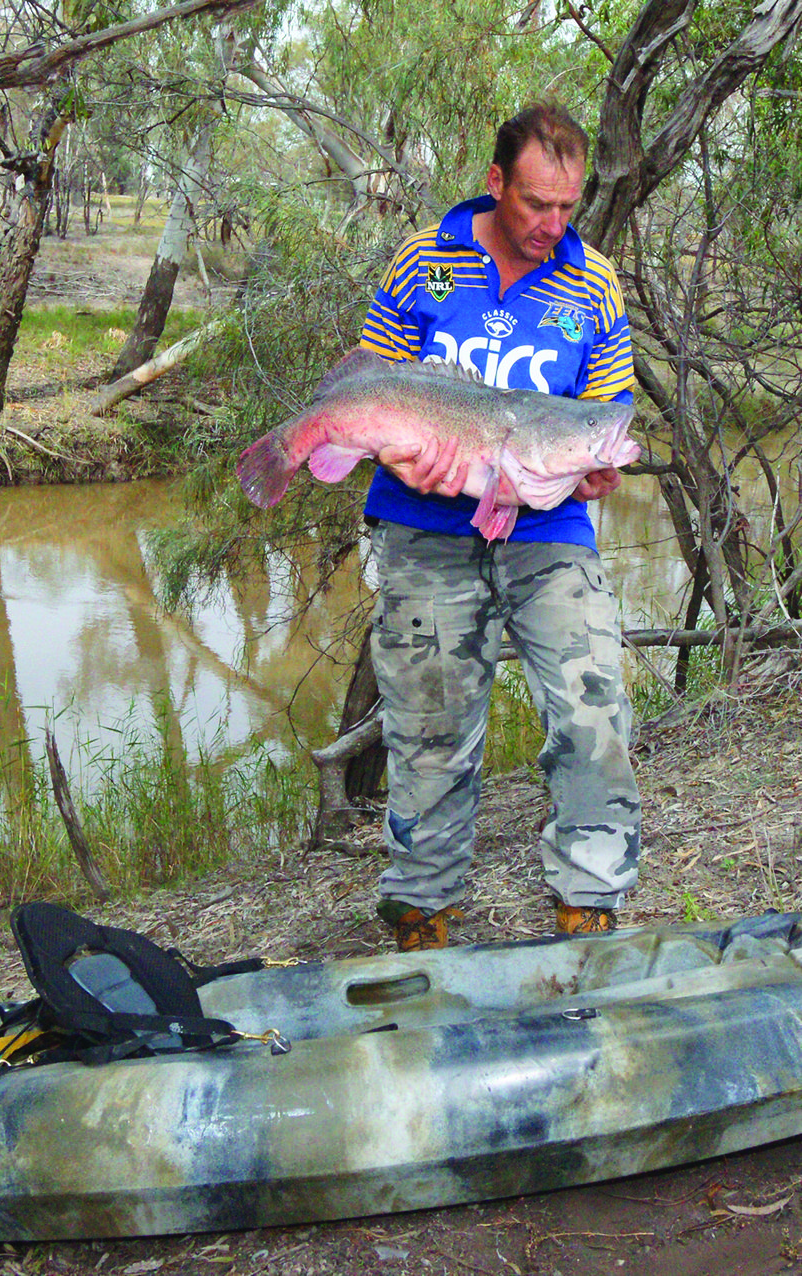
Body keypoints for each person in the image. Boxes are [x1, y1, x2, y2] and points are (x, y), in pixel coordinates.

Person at [358, 101, 641, 952]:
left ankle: (589, 889)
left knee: (594, 710)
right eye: (534, 205)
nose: (552, 225)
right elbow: (371, 388)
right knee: (429, 724)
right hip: (423, 526)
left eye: (567, 207)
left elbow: (607, 409)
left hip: (548, 531)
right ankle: (422, 903)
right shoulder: (425, 267)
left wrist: (596, 468)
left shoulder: (592, 283)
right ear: (494, 183)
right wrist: (409, 460)